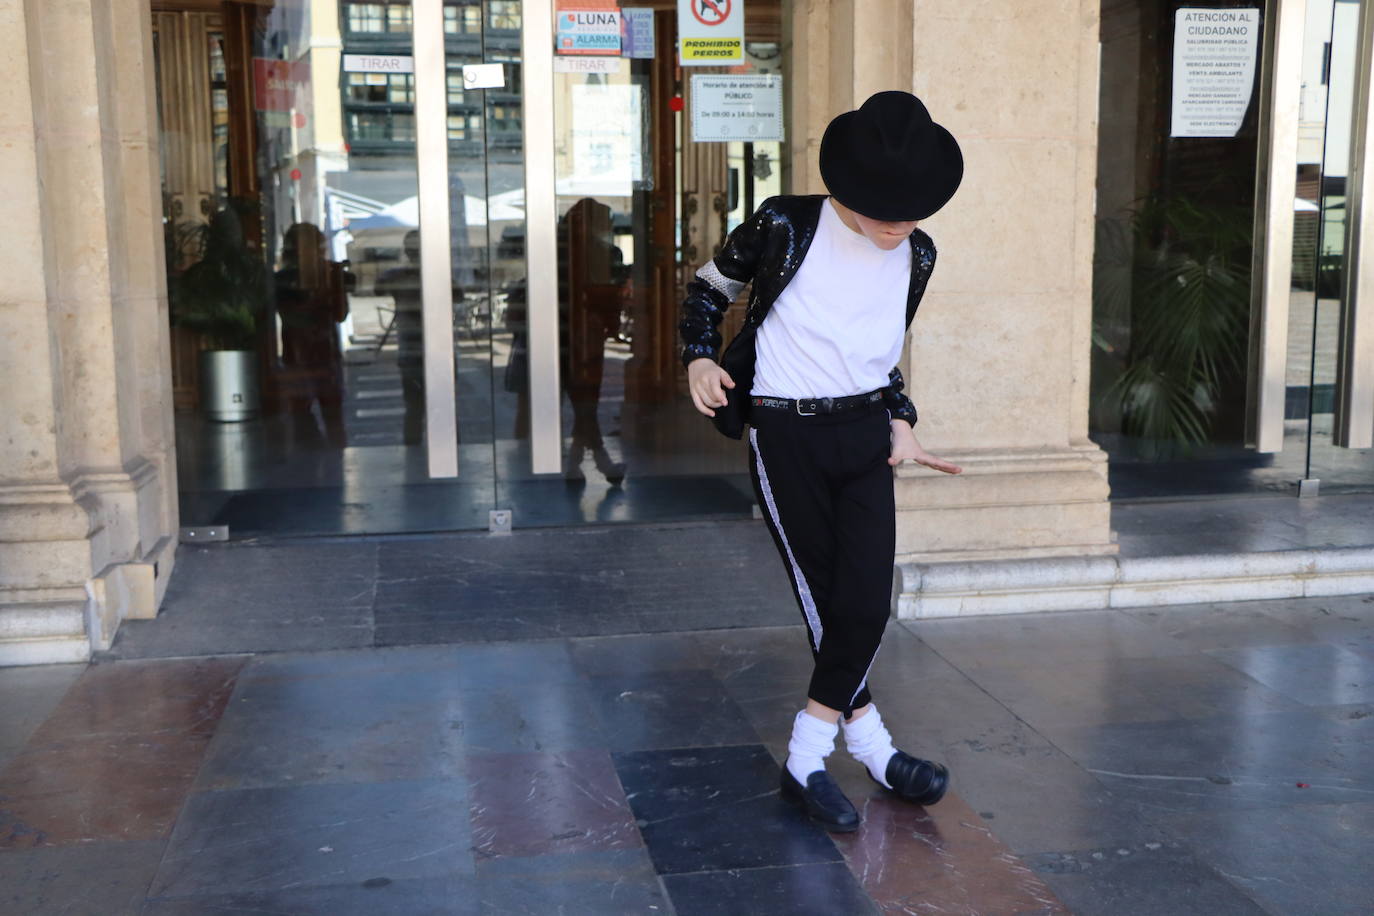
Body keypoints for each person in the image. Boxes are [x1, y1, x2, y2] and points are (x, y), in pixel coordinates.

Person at [679, 91, 965, 832]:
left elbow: (876, 351)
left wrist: (901, 420)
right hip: (786, 434)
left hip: (866, 435)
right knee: (827, 601)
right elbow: (710, 290)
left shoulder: (919, 253)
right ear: (845, 187)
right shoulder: (786, 223)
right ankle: (859, 750)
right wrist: (698, 360)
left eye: (912, 208)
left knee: (866, 604)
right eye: (884, 207)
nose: (899, 223)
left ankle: (821, 752)